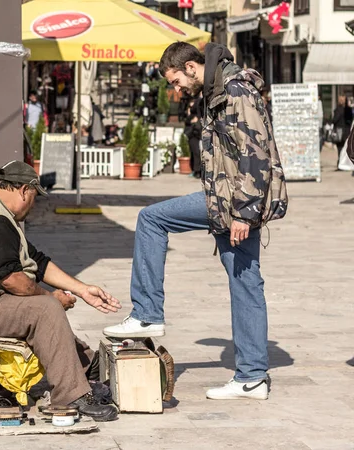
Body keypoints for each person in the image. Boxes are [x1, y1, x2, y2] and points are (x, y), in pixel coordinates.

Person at [103, 42, 288, 401]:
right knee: (246, 283)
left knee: (151, 219)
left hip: (232, 202)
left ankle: (147, 312)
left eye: (175, 80)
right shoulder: (218, 89)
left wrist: (244, 214)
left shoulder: (234, 90)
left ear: (191, 66)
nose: (176, 89)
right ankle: (252, 378)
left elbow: (257, 154)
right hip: (227, 200)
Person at [0, 160, 121, 421]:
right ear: (24, 190)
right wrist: (51, 297)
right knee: (44, 309)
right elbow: (12, 280)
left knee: (44, 309)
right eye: (34, 196)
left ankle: (86, 369)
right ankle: (71, 395)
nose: (34, 205)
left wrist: (82, 290)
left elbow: (37, 261)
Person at [184, 96, 203, 178]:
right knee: (194, 152)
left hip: (198, 132)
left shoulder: (198, 114)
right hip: (192, 134)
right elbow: (187, 122)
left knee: (197, 152)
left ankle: (198, 170)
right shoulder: (191, 116)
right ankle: (195, 170)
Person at [332, 95, 352, 168]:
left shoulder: (338, 110)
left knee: (340, 147)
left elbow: (334, 120)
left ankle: (340, 162)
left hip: (339, 131)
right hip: (347, 131)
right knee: (345, 147)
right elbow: (350, 120)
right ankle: (344, 162)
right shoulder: (349, 110)